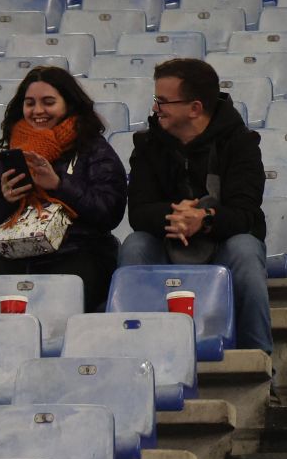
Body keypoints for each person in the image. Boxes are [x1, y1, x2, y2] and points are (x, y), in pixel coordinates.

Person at [117, 58, 273, 355]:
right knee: (135, 245)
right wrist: (176, 216)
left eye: (162, 102)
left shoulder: (241, 144)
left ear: (195, 108)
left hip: (223, 243)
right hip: (168, 242)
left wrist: (205, 219)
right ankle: (129, 351)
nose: (154, 109)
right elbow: (139, 212)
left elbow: (246, 215)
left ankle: (258, 359)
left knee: (246, 249)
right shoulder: (148, 144)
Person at [0, 66, 128, 311]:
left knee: (70, 285)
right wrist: (2, 198)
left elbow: (109, 214)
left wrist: (59, 185)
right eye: (30, 103)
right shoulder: (5, 160)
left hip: (80, 252)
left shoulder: (94, 150)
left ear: (68, 104)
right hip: (17, 254)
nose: (38, 111)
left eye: (48, 102)